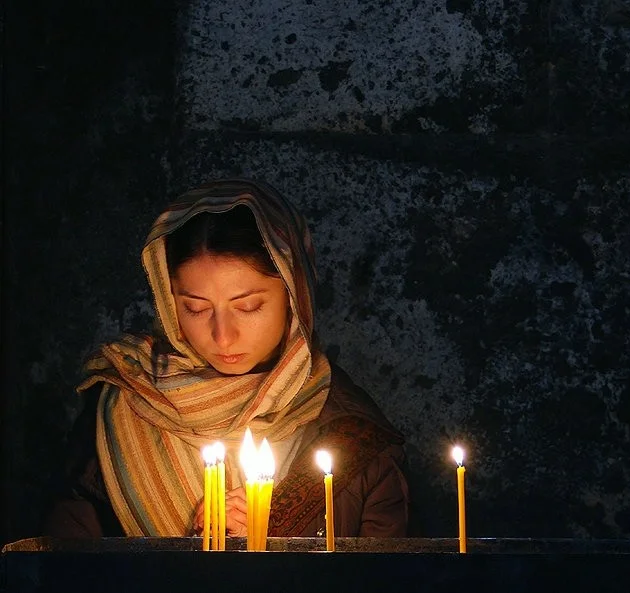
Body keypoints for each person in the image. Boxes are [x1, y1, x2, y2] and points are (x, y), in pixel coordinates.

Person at [44, 179, 409, 539]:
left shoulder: (355, 435)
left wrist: (276, 551)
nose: (222, 335)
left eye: (248, 306)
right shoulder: (123, 404)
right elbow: (68, 567)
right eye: (195, 307)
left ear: (296, 297)